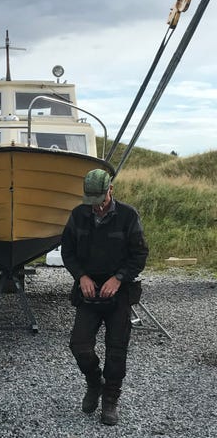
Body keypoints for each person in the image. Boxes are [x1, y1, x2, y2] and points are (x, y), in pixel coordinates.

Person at [60, 168, 149, 425]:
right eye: (92, 201)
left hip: (118, 293)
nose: (96, 207)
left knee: (117, 349)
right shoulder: (78, 215)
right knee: (79, 345)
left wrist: (118, 278)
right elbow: (67, 252)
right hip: (88, 292)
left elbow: (139, 255)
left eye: (100, 200)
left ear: (110, 190)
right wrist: (81, 276)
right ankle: (94, 382)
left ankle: (110, 399)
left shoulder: (128, 216)